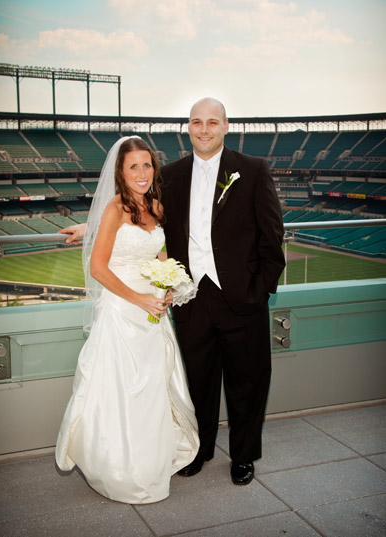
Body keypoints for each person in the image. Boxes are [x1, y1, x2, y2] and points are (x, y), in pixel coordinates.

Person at [61, 97, 285, 486]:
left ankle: (244, 456)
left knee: (248, 380)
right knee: (197, 380)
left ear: (226, 126)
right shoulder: (173, 174)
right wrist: (90, 229)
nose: (203, 129)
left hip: (242, 297)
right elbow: (136, 207)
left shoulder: (252, 170)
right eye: (196, 122)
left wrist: (260, 290)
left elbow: (272, 237)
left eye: (212, 122)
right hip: (191, 297)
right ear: (188, 127)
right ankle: (200, 449)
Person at [55, 136, 199, 504]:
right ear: (120, 171)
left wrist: (166, 287)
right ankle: (123, 468)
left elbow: (161, 255)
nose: (142, 172)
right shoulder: (114, 208)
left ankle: (150, 460)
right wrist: (140, 299)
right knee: (125, 391)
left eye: (147, 165)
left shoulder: (156, 205)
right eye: (133, 166)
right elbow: (98, 268)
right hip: (123, 310)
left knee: (152, 389)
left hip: (153, 309)